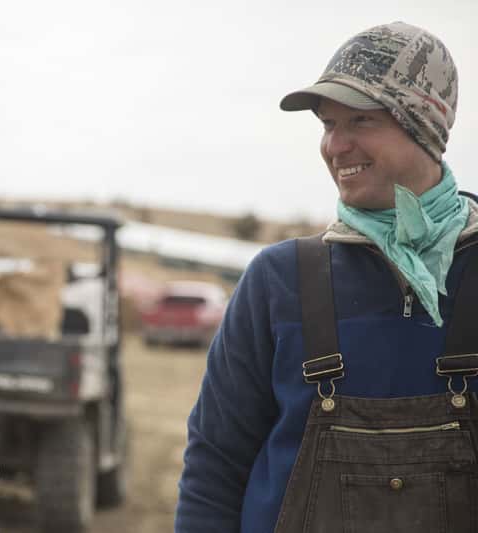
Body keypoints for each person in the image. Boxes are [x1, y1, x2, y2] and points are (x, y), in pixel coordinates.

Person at [175, 21, 478, 532]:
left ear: (426, 124)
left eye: (360, 120)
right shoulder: (278, 281)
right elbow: (214, 470)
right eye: (327, 124)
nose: (336, 145)